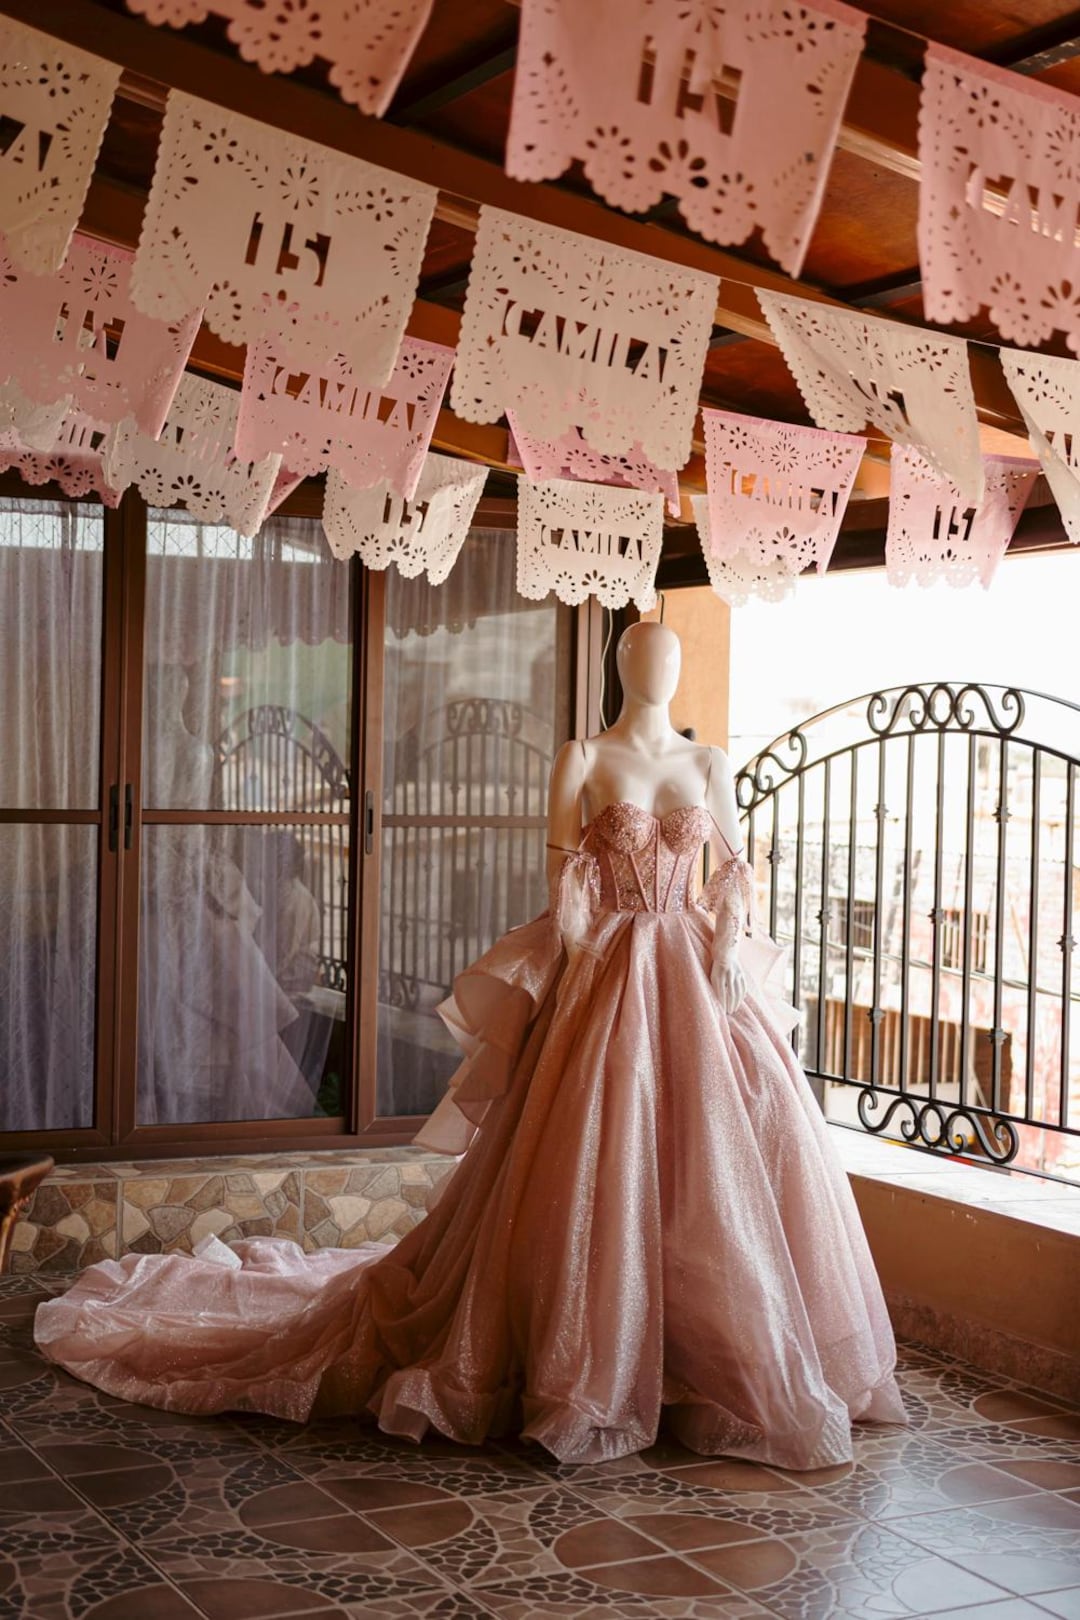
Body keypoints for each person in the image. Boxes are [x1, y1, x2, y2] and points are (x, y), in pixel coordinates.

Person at [34, 622, 906, 1468]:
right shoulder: (583, 757)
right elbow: (561, 875)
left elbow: (732, 877)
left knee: (717, 1167)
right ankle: (596, 1358)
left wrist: (727, 956)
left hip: (699, 975)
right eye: (647, 657)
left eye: (672, 659)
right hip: (606, 971)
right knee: (599, 1167)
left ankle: (704, 1357)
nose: (662, 671)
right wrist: (580, 966)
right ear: (623, 666)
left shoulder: (708, 761)